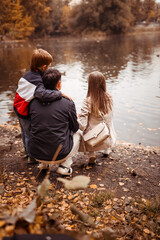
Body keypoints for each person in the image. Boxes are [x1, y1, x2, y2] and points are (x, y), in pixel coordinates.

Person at [13, 48, 69, 159]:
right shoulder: (37, 80)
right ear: (44, 67)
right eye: (48, 66)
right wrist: (60, 94)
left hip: (17, 107)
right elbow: (42, 95)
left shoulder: (28, 75)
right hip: (24, 110)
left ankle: (26, 150)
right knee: (30, 133)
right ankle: (32, 157)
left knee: (24, 132)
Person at [28, 68, 80, 175]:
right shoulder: (68, 103)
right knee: (78, 134)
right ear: (59, 84)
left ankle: (43, 164)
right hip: (59, 154)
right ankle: (65, 166)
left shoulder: (32, 102)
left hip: (36, 152)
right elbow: (75, 127)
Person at [78, 71, 116, 164]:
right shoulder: (109, 97)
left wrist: (79, 123)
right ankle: (107, 150)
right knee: (108, 124)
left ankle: (91, 154)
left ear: (90, 84)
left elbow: (83, 121)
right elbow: (110, 114)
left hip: (94, 132)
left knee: (87, 129)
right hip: (106, 129)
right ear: (103, 83)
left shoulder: (88, 100)